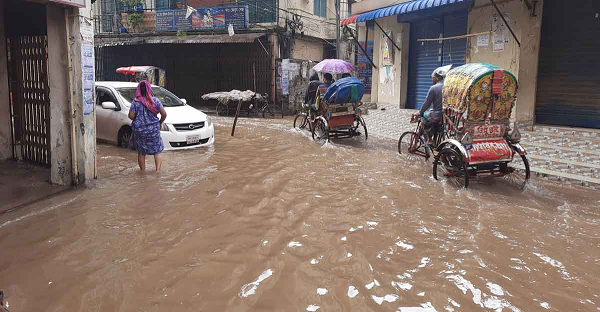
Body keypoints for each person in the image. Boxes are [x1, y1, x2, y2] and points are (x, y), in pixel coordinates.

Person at [128, 80, 167, 172]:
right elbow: (164, 114)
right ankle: (157, 171)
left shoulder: (135, 102)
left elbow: (131, 116)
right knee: (157, 151)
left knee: (141, 153)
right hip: (153, 130)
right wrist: (159, 122)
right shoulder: (155, 101)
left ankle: (143, 172)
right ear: (149, 89)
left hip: (140, 131)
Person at [416, 65, 452, 144]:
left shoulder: (434, 88)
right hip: (447, 116)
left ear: (436, 78)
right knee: (433, 118)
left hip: (437, 115)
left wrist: (420, 112)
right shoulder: (449, 87)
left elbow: (427, 103)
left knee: (423, 118)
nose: (432, 79)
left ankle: (429, 139)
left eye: (432, 77)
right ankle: (435, 140)